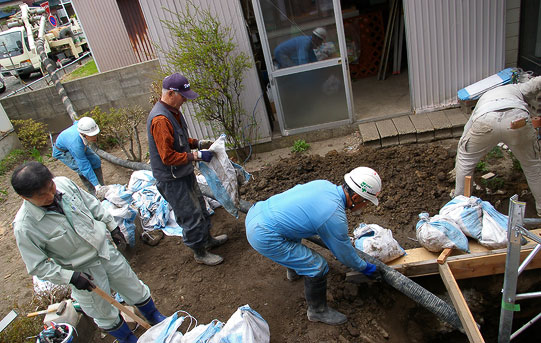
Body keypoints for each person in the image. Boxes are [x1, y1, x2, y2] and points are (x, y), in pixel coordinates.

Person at [11, 162, 166, 343]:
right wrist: (70, 277)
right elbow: (37, 265)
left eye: (50, 187)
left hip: (104, 250)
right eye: (42, 195)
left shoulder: (64, 184)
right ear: (25, 197)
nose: (51, 195)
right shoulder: (25, 226)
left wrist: (112, 226)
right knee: (102, 311)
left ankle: (154, 316)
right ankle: (128, 339)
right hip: (82, 271)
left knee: (132, 285)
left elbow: (92, 204)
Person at [245, 167, 383, 325]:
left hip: (259, 212)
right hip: (264, 234)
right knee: (318, 267)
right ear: (357, 198)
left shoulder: (324, 185)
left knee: (294, 229)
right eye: (366, 202)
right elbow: (344, 254)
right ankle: (317, 311)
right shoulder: (333, 216)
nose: (365, 206)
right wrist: (366, 268)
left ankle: (295, 270)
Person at [147, 73, 228, 266]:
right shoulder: (160, 120)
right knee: (189, 214)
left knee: (200, 207)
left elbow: (180, 141)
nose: (185, 99)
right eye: (183, 95)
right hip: (172, 179)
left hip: (183, 173)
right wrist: (197, 155)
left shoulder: (173, 111)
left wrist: (198, 143)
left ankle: (207, 240)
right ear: (171, 93)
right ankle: (199, 252)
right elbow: (167, 157)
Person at [454, 76, 541, 216]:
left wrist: (462, 151)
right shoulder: (517, 88)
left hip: (485, 119)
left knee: (466, 161)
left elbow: (467, 128)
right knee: (532, 166)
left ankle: (459, 208)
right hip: (518, 120)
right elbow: (537, 82)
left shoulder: (485, 98)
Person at [52, 117, 104, 194]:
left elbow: (76, 122)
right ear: (83, 134)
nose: (95, 137)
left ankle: (102, 187)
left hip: (76, 143)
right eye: (92, 135)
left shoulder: (82, 126)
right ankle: (94, 191)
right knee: (81, 169)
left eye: (95, 134)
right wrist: (96, 185)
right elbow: (84, 166)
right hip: (63, 152)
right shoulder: (76, 145)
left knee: (95, 160)